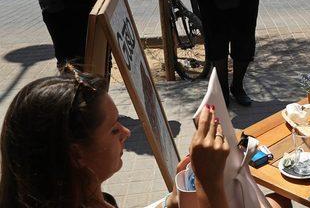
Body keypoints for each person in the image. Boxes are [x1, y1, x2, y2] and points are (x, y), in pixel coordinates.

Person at [0, 68, 291, 207]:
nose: (127, 133)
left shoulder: (81, 196)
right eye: (114, 128)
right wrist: (209, 182)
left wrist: (172, 201)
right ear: (76, 155)